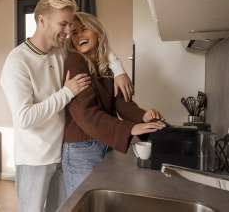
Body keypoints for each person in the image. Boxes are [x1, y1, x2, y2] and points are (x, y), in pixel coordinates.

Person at [0, 0, 133, 212]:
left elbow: (97, 46)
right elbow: (24, 118)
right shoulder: (18, 61)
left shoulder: (60, 49)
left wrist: (118, 70)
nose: (67, 32)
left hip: (63, 154)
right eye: (63, 24)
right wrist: (66, 93)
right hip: (35, 160)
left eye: (69, 25)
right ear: (42, 20)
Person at [62, 12, 166, 197]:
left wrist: (142, 116)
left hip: (104, 141)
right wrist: (131, 128)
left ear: (98, 33)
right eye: (75, 33)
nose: (79, 36)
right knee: (82, 206)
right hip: (81, 148)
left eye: (84, 29)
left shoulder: (106, 66)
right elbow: (85, 113)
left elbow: (120, 101)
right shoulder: (75, 62)